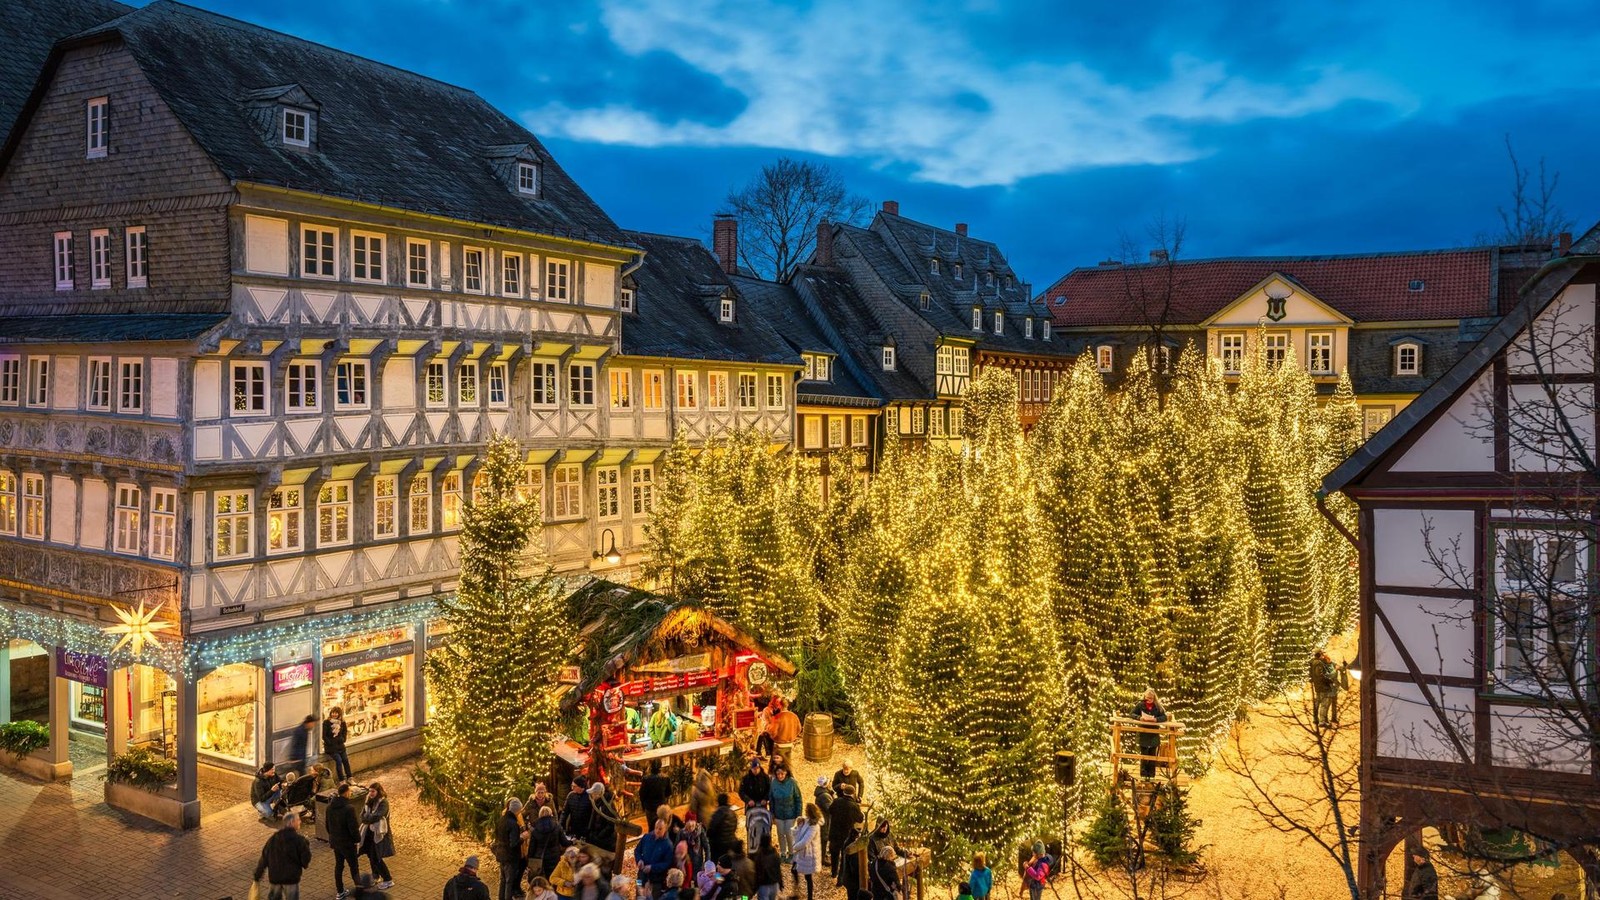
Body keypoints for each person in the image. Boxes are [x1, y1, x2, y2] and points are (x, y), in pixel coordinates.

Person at [253, 812, 312, 900]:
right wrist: (304, 862)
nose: (300, 822)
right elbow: (305, 858)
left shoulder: (273, 839)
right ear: (292, 823)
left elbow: (264, 858)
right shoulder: (299, 840)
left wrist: (257, 875)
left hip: (275, 878)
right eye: (298, 820)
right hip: (291, 878)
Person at [327, 781, 364, 898]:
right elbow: (353, 828)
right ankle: (360, 892)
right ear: (346, 792)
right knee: (354, 868)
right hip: (348, 844)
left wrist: (333, 836)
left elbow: (327, 826)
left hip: (336, 843)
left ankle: (340, 891)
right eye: (350, 791)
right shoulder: (349, 809)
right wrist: (357, 839)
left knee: (339, 866)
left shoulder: (329, 808)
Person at [360, 781, 396, 891]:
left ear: (378, 791)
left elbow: (378, 815)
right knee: (371, 856)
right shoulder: (368, 800)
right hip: (369, 834)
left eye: (373, 791)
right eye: (369, 791)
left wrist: (367, 818)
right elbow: (362, 815)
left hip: (380, 834)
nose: (370, 793)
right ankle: (375, 876)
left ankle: (388, 879)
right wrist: (367, 818)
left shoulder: (383, 802)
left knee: (377, 858)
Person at [826, 784, 863, 878]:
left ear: (843, 792)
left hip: (834, 832)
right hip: (846, 834)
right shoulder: (854, 805)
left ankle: (834, 872)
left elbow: (830, 810)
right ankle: (841, 877)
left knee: (834, 853)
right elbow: (860, 819)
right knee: (844, 855)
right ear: (853, 794)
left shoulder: (836, 801)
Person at [497, 797, 530, 900]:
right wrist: (522, 837)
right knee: (509, 881)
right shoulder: (513, 824)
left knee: (503, 880)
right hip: (510, 856)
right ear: (516, 810)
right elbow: (514, 843)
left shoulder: (501, 820)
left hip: (501, 854)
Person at [637, 815, 677, 898]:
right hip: (641, 876)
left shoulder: (668, 845)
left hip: (656, 881)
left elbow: (667, 863)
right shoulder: (646, 837)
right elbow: (637, 850)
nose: (657, 831)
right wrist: (639, 860)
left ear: (665, 829)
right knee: (639, 896)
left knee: (653, 897)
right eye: (656, 828)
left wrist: (652, 867)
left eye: (660, 829)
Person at [588, 782, 624, 875]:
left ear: (598, 794)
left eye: (593, 793)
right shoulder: (597, 803)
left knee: (605, 867)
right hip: (599, 839)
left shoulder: (607, 806)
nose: (591, 795)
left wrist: (599, 836)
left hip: (605, 842)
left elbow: (610, 825)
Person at [1131, 689, 1168, 779]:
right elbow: (1132, 713)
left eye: (1151, 698)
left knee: (1152, 755)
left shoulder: (1158, 706)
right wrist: (1139, 718)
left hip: (1154, 734)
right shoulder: (1140, 705)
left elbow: (1164, 717)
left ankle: (1151, 775)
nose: (1149, 700)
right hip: (1143, 733)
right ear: (1144, 697)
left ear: (1154, 698)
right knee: (1143, 754)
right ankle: (1143, 775)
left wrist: (1156, 720)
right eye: (1147, 698)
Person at [790, 803, 822, 900]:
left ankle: (809, 897)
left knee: (808, 877)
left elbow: (805, 842)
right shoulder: (806, 821)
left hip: (807, 855)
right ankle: (797, 889)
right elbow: (796, 834)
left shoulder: (814, 826)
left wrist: (794, 847)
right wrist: (797, 826)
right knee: (794, 870)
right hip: (800, 853)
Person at [769, 765, 801, 862]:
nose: (780, 776)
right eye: (778, 774)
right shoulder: (773, 783)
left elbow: (798, 798)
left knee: (789, 833)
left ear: (786, 773)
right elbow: (771, 799)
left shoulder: (792, 783)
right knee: (780, 833)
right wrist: (772, 813)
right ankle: (783, 853)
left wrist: (798, 813)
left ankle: (791, 853)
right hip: (778, 813)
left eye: (782, 773)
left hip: (790, 813)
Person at [529, 806, 564, 886]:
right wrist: (572, 842)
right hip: (554, 857)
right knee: (553, 878)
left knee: (542, 881)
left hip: (540, 858)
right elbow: (564, 842)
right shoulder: (557, 826)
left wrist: (530, 860)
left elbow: (532, 846)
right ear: (551, 814)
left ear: (540, 815)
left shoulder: (535, 827)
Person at [1310, 650, 1340, 727]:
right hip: (1323, 687)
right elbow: (1321, 675)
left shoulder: (1312, 663)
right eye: (1322, 654)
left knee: (1318, 703)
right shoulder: (1319, 663)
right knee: (1324, 704)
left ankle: (1316, 719)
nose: (1323, 655)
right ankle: (1322, 721)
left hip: (1318, 686)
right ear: (1319, 655)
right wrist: (1329, 680)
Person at [641, 762, 674, 831]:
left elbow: (642, 794)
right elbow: (669, 793)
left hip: (650, 807)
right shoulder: (666, 778)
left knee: (651, 827)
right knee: (663, 827)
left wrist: (644, 806)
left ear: (651, 767)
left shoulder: (646, 779)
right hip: (662, 806)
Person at [323, 707, 353, 782]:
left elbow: (345, 732)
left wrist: (343, 739)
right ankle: (341, 780)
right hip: (331, 748)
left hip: (340, 746)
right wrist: (329, 743)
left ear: (339, 714)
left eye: (336, 713)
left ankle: (350, 778)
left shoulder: (342, 722)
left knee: (345, 760)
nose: (334, 714)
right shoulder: (326, 722)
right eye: (333, 712)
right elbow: (324, 735)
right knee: (339, 761)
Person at [708, 793, 740, 863]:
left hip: (719, 844)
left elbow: (711, 829)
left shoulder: (718, 813)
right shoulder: (732, 813)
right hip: (731, 842)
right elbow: (735, 827)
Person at [812, 777, 835, 868]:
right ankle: (821, 859)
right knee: (823, 838)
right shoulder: (825, 796)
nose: (830, 784)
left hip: (822, 818)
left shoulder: (822, 793)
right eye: (829, 783)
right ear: (826, 784)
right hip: (825, 820)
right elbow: (830, 809)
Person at [563, 776, 594, 841]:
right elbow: (564, 813)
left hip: (585, 831)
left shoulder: (590, 797)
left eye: (574, 786)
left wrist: (589, 830)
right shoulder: (571, 796)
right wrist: (561, 826)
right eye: (572, 786)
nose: (572, 788)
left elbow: (593, 816)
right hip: (573, 829)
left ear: (581, 787)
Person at [754, 833, 783, 900]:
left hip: (764, 886)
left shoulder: (759, 855)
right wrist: (780, 882)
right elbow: (778, 869)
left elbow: (758, 872)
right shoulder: (775, 853)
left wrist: (755, 886)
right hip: (774, 884)